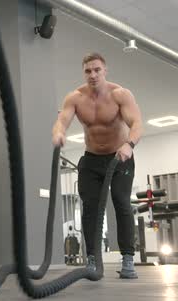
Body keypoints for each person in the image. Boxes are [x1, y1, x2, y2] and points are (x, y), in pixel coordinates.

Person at [52, 52, 143, 279]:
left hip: (119, 156)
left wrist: (129, 144)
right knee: (90, 206)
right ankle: (92, 258)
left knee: (121, 201)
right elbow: (61, 121)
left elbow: (137, 123)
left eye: (97, 70)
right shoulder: (75, 98)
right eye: (88, 71)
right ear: (83, 73)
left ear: (105, 70)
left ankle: (128, 258)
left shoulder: (120, 94)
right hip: (91, 159)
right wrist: (59, 133)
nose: (92, 75)